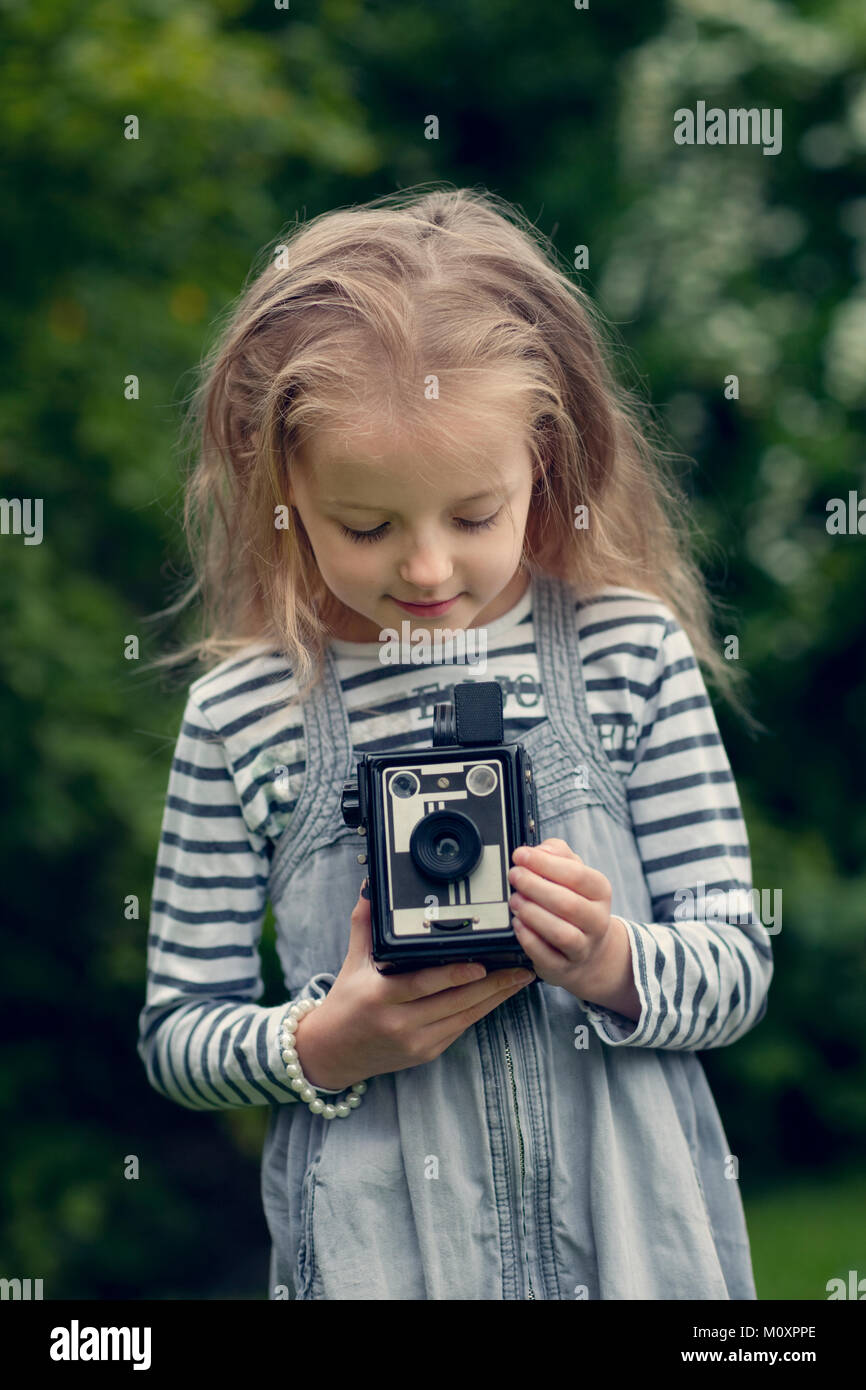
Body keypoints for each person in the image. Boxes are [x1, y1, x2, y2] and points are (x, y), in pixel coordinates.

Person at [137, 185, 774, 1300]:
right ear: (282, 480)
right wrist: (323, 1043)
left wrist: (609, 961)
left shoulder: (625, 656)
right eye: (366, 526)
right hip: (386, 1262)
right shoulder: (243, 713)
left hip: (632, 1251)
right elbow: (178, 1030)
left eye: (473, 515)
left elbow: (733, 966)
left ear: (546, 457)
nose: (425, 570)